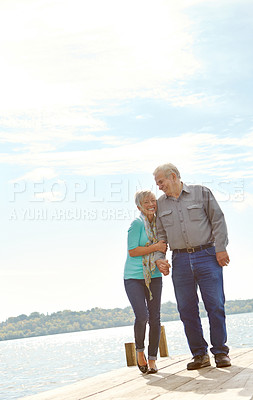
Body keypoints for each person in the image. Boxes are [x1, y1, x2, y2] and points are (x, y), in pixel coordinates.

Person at [153, 163, 231, 370]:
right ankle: (200, 355)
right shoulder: (160, 204)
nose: (159, 186)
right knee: (186, 309)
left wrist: (221, 248)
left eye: (161, 181)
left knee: (215, 305)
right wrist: (160, 257)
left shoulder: (201, 193)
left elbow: (218, 221)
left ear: (173, 176)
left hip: (207, 255)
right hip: (179, 261)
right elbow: (160, 236)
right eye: (157, 183)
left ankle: (221, 352)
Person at [124, 190, 169, 374]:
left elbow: (163, 248)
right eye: (146, 202)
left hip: (154, 276)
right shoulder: (136, 224)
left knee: (155, 318)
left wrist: (162, 261)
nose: (151, 204)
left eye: (153, 200)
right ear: (139, 207)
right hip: (133, 277)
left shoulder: (160, 224)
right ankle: (140, 352)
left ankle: (152, 359)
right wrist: (155, 247)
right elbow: (133, 251)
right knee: (142, 316)